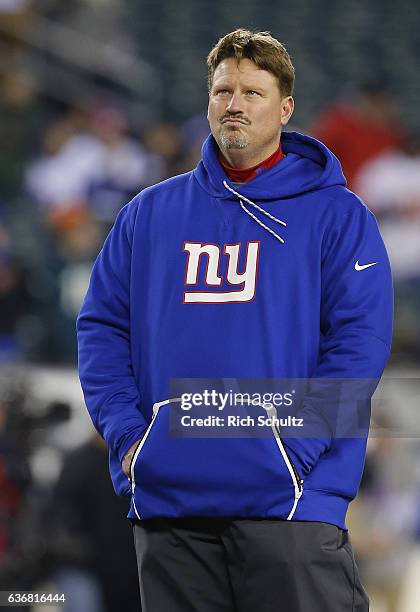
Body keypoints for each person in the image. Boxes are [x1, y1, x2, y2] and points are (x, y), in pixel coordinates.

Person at [77, 29, 393, 612]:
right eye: (223, 90)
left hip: (292, 505)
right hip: (173, 505)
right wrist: (128, 438)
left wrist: (295, 448)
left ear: (286, 107)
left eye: (252, 91)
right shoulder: (149, 214)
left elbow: (361, 346)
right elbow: (101, 331)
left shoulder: (339, 215)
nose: (234, 104)